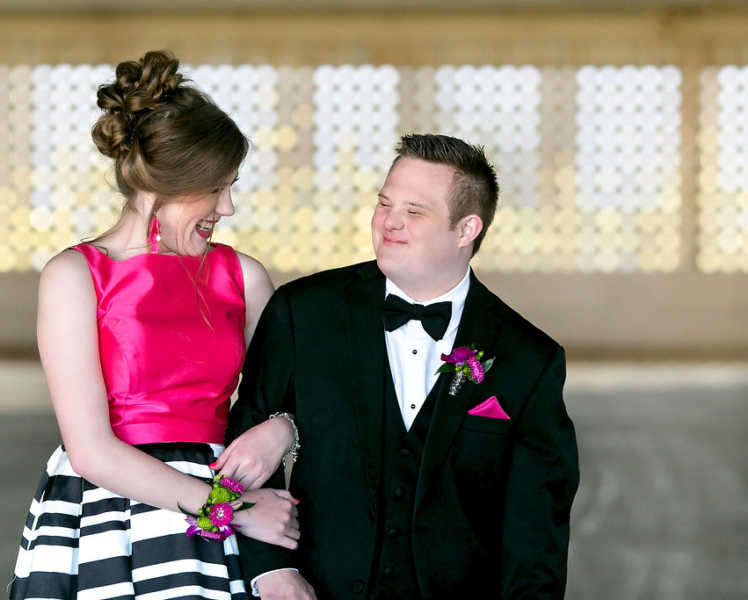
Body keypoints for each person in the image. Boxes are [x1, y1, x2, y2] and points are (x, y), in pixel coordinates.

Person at [226, 134, 580, 599]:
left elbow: (536, 532)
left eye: (414, 211)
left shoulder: (529, 358)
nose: (389, 222)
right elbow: (245, 438)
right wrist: (272, 571)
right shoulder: (304, 312)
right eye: (384, 203)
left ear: (466, 229)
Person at [9, 50, 299, 600]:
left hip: (228, 506)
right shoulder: (73, 277)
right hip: (108, 516)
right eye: (216, 188)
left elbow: (293, 394)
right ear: (164, 185)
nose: (229, 207)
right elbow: (91, 449)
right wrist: (232, 511)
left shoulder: (244, 276)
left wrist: (281, 428)